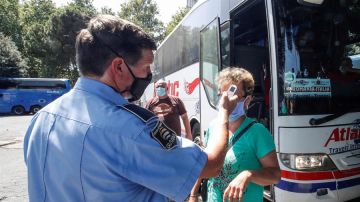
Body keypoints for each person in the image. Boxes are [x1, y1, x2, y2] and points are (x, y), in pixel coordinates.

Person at [23, 15, 240, 202]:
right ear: (118, 67)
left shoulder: (41, 119)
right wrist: (223, 112)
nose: (148, 77)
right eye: (146, 68)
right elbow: (211, 166)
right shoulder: (130, 128)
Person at [190, 67, 280, 202]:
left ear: (247, 100)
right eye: (222, 95)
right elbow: (207, 163)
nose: (226, 101)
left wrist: (248, 175)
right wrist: (194, 193)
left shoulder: (258, 132)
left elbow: (275, 175)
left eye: (232, 96)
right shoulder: (214, 127)